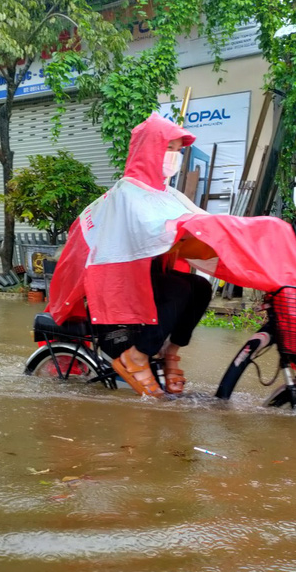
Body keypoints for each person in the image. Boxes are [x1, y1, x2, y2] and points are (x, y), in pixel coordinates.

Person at [48, 112, 213, 399]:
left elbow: (201, 221)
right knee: (177, 289)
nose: (173, 156)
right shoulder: (126, 193)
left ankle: (170, 351)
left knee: (200, 287)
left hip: (146, 284)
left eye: (177, 149)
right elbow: (151, 227)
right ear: (150, 150)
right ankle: (135, 357)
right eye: (167, 148)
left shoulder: (167, 194)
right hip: (116, 297)